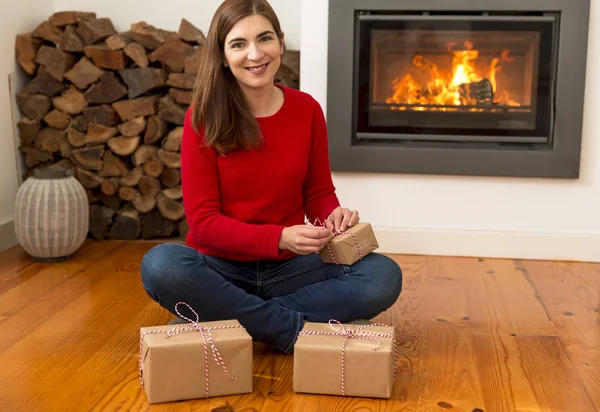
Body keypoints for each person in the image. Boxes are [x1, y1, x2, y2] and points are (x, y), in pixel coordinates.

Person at [140, 0, 402, 353]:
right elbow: (203, 224)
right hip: (222, 271)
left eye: (264, 39)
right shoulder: (201, 119)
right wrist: (280, 237)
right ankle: (292, 329)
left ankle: (234, 322)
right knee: (161, 265)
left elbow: (318, 192)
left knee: (382, 275)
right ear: (221, 55)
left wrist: (333, 216)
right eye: (238, 44)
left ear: (280, 42)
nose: (255, 54)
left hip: (293, 271)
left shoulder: (306, 110)